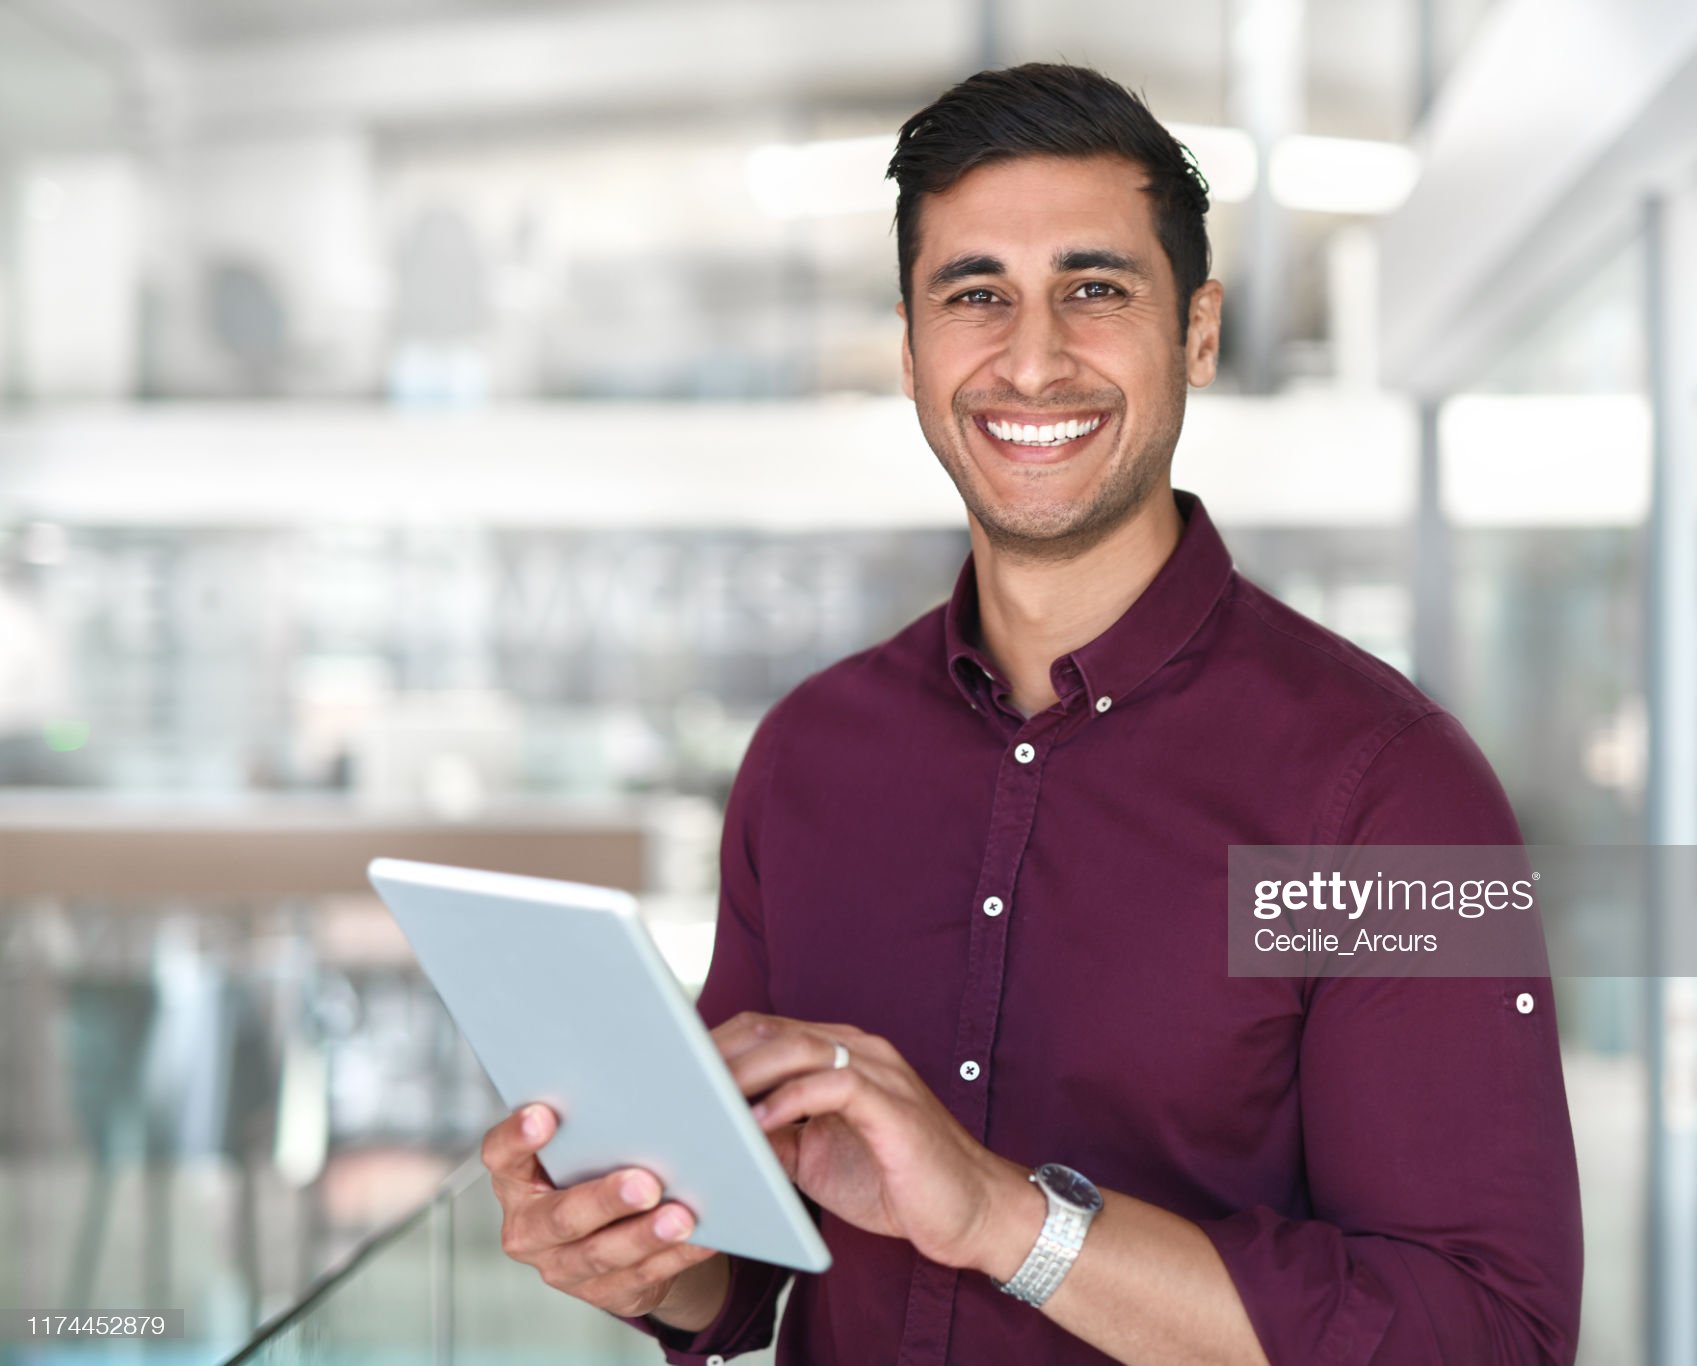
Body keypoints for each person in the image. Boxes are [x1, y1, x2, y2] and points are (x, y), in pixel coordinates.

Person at [479, 63, 1582, 1364]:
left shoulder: (1392, 796)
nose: (1034, 355)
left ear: (1200, 331)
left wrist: (1009, 1218)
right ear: (911, 346)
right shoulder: (811, 760)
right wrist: (637, 1249)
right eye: (976, 293)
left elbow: (1490, 1333)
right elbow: (745, 1267)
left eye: (1095, 288)